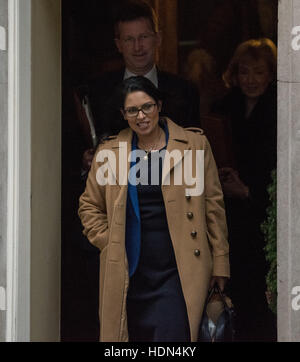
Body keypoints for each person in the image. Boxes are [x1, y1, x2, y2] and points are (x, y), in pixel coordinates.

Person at [78, 76, 230, 342]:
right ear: (123, 115)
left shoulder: (194, 146)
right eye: (132, 110)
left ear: (159, 105)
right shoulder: (109, 153)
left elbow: (213, 207)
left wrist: (220, 263)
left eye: (147, 106)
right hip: (129, 270)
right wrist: (109, 240)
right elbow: (89, 206)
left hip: (178, 270)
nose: (141, 116)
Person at [82, 0, 200, 171]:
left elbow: (196, 152)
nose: (138, 47)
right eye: (129, 39)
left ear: (157, 39)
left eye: (143, 37)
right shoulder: (97, 91)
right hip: (114, 193)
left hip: (170, 192)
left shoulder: (185, 91)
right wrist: (85, 160)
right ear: (118, 45)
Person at [213, 38, 277, 341]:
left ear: (271, 74)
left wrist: (249, 191)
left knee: (260, 296)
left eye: (259, 72)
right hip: (227, 214)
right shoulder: (225, 107)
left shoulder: (281, 110)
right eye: (244, 72)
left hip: (264, 215)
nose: (250, 80)